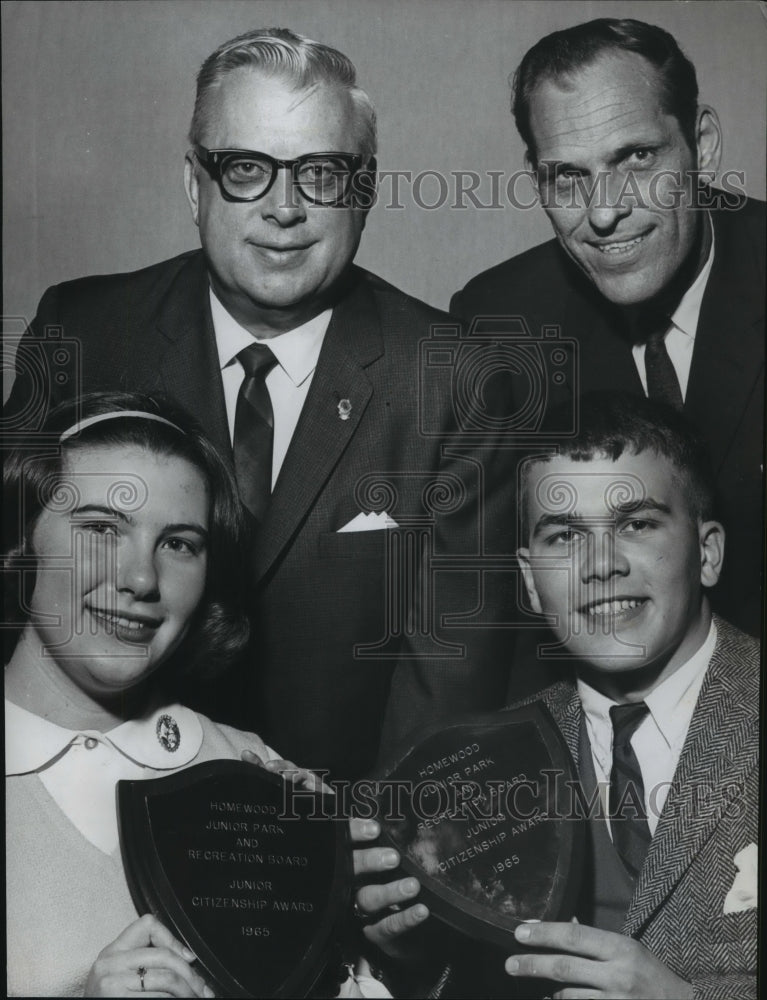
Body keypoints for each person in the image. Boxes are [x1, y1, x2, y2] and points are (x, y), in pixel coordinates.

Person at [4, 27, 509, 781]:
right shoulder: (82, 331)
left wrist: (378, 854)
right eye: (246, 168)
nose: (283, 209)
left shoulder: (452, 379)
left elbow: (450, 679)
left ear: (364, 192)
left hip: (339, 837)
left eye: (321, 175)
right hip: (95, 796)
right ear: (193, 183)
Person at [3, 391, 418, 998]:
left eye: (179, 544)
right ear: (20, 540)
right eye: (100, 528)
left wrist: (332, 925)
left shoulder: (256, 776)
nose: (142, 578)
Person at [355, 392, 758, 998]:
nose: (600, 565)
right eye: (566, 537)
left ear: (707, 553)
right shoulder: (481, 767)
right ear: (531, 582)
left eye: (636, 524)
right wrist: (411, 952)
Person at [451, 18, 765, 637]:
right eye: (568, 176)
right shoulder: (499, 323)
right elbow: (496, 598)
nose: (603, 212)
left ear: (702, 146)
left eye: (635, 158)